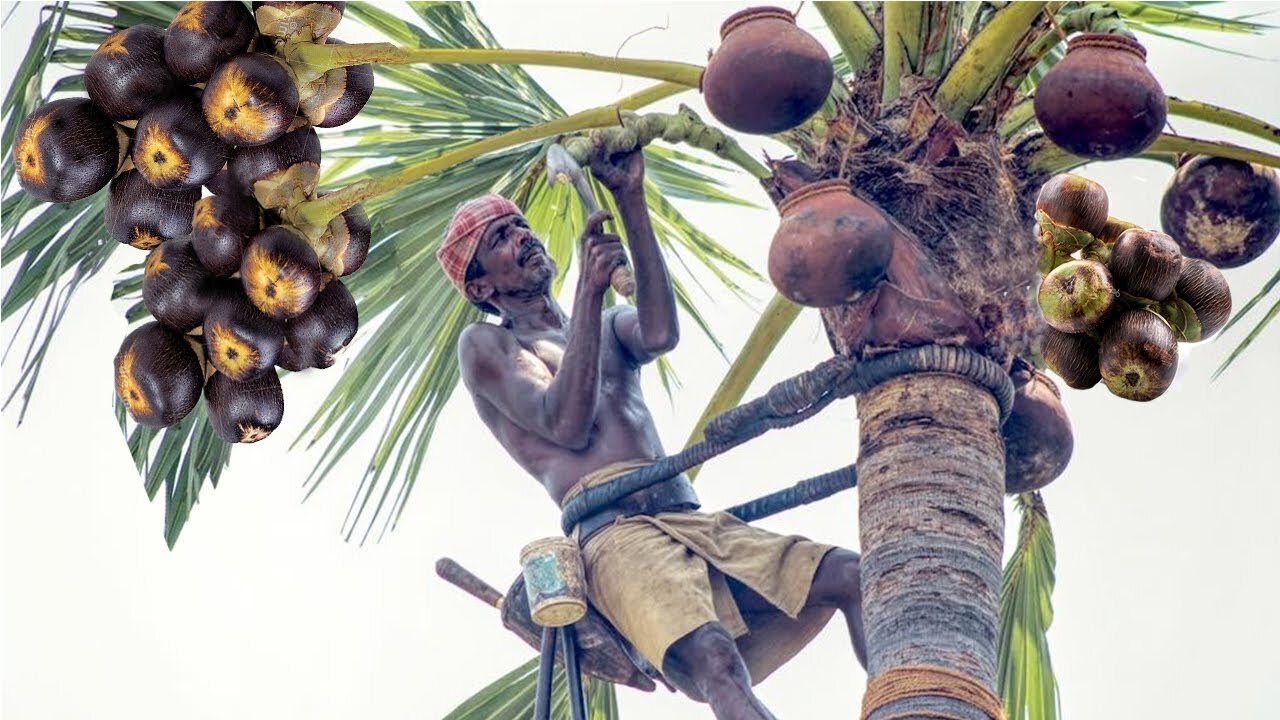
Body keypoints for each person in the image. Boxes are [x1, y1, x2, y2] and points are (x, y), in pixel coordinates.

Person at [439, 147, 866, 719]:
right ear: (483, 288)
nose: (522, 237)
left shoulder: (605, 324)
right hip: (615, 538)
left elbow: (661, 332)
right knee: (714, 661)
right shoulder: (488, 346)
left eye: (520, 225)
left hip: (688, 519)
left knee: (851, 576)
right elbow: (565, 424)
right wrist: (590, 293)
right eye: (500, 240)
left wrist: (630, 200)